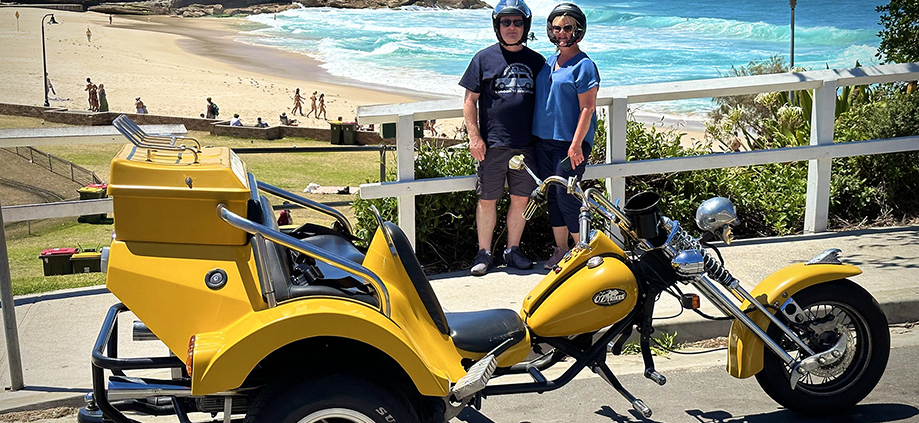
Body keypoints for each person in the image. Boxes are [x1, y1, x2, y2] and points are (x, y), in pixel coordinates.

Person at [460, 0, 544, 276]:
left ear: (525, 26)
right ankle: (484, 253)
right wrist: (475, 137)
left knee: (521, 199)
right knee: (487, 200)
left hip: (527, 144)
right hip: (492, 144)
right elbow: (469, 100)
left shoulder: (537, 61)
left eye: (517, 22)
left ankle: (513, 250)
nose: (511, 27)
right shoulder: (483, 58)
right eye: (506, 22)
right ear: (497, 25)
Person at [532, 2, 600, 270]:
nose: (561, 33)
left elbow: (588, 107)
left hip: (570, 144)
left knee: (568, 197)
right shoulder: (550, 61)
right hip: (543, 140)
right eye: (556, 27)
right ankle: (561, 250)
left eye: (567, 28)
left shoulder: (584, 66)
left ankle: (583, 252)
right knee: (552, 195)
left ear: (578, 30)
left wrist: (575, 145)